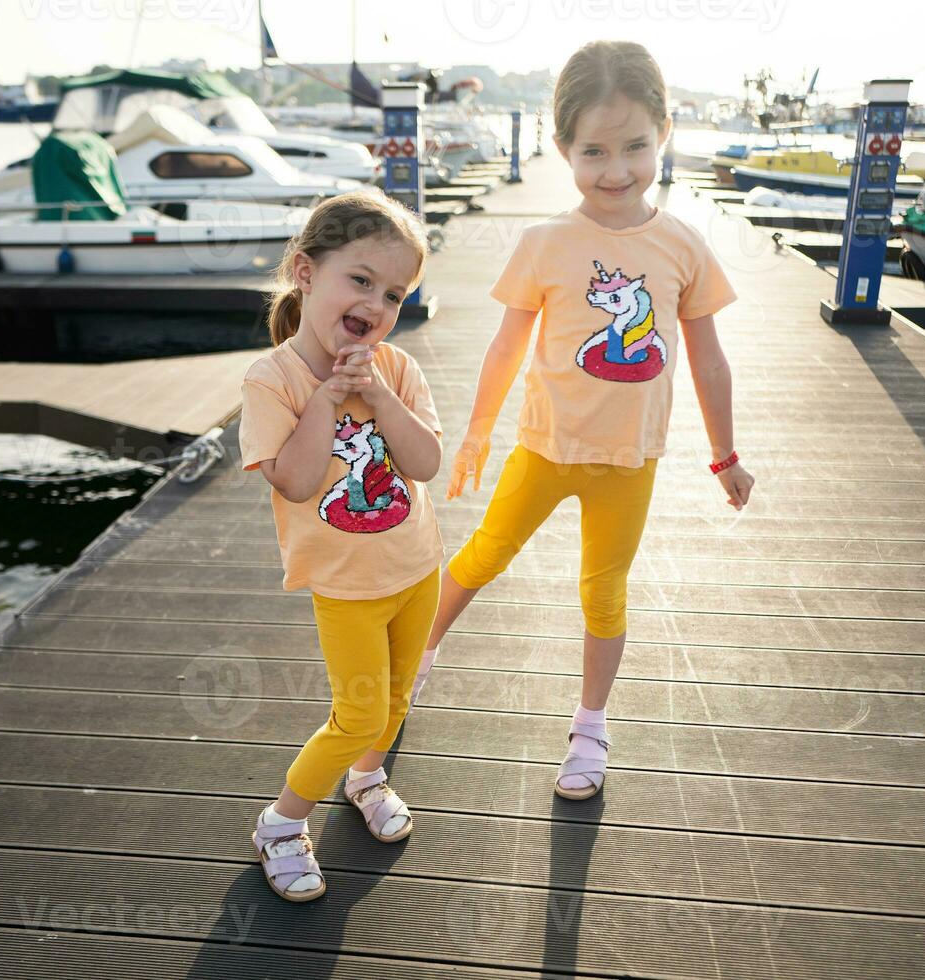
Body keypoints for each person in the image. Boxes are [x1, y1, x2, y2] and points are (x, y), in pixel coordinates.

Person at [412, 40, 754, 802]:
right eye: (593, 150)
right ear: (561, 146)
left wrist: (725, 456)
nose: (616, 169)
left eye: (635, 146)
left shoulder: (683, 245)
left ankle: (591, 725)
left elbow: (708, 360)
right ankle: (417, 658)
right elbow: (505, 349)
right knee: (482, 557)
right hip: (545, 446)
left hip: (630, 462)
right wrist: (475, 435)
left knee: (604, 592)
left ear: (665, 132)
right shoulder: (544, 243)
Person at [238, 189, 442, 902]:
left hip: (417, 567)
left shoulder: (396, 371)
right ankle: (281, 824)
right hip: (347, 586)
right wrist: (327, 399)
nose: (376, 305)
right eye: (360, 280)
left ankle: (366, 775)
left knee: (396, 696)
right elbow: (293, 482)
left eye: (393, 293)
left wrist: (379, 398)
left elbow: (425, 463)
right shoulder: (275, 380)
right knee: (357, 711)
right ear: (305, 272)